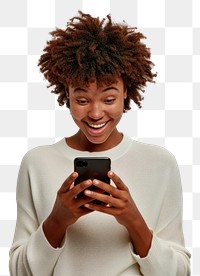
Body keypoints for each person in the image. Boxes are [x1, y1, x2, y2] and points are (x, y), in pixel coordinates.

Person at [9, 11, 191, 276]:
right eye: (82, 100)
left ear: (126, 91)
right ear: (66, 93)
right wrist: (58, 219)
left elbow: (179, 272)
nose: (95, 114)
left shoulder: (161, 164)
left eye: (108, 99)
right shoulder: (36, 163)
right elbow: (19, 271)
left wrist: (133, 220)